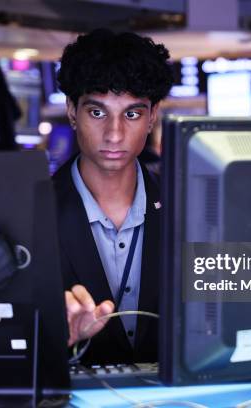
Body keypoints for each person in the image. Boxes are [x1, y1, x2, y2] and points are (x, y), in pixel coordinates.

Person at [52, 29, 173, 364]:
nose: (115, 134)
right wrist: (59, 342)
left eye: (132, 114)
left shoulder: (187, 209)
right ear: (72, 111)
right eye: (97, 112)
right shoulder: (30, 213)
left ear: (152, 117)